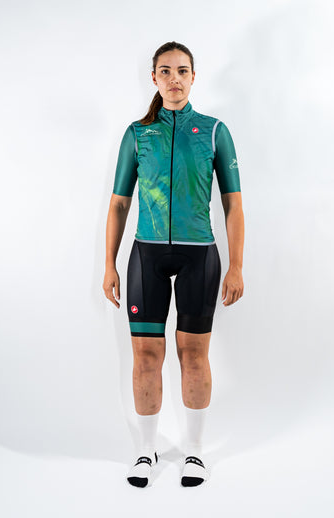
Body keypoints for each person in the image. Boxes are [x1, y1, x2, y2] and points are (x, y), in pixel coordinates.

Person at [103, 41, 244, 488]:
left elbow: (233, 204)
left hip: (199, 256)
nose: (174, 79)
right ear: (154, 78)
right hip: (146, 255)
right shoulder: (137, 134)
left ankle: (195, 451)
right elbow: (119, 203)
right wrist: (109, 264)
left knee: (193, 355)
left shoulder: (215, 131)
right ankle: (145, 451)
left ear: (194, 77)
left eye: (182, 71)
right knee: (146, 355)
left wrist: (236, 265)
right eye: (165, 71)